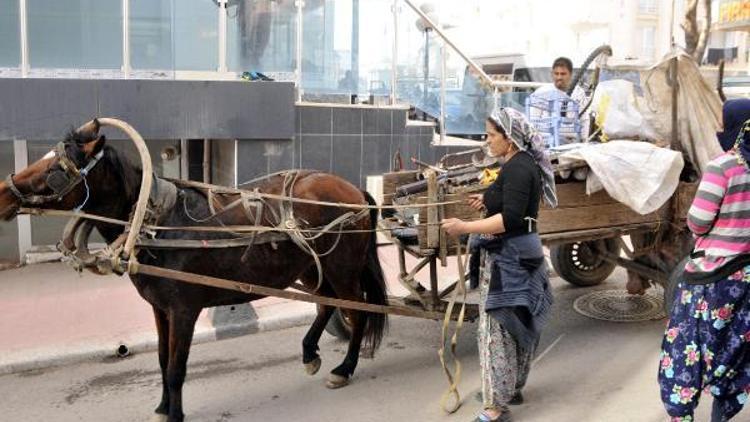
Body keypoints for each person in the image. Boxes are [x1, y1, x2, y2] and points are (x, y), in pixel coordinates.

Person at [442, 107, 556, 422]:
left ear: (510, 138)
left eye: (492, 135)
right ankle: (511, 388)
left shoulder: (519, 168)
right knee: (517, 323)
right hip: (522, 253)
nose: (487, 141)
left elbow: (511, 218)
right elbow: (508, 204)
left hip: (512, 259)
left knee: (496, 330)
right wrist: (487, 200)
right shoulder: (516, 165)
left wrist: (464, 228)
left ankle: (495, 408)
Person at [658, 98, 750, 421]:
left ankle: (681, 414)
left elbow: (697, 221)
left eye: (725, 125)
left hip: (710, 279)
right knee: (731, 349)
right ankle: (721, 414)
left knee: (686, 348)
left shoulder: (723, 167)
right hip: (744, 279)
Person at [528, 57, 589, 142]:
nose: (559, 77)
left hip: (571, 141)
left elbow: (584, 119)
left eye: (563, 74)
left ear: (570, 74)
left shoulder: (578, 93)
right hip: (546, 141)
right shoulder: (541, 92)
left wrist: (585, 140)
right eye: (556, 74)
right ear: (552, 74)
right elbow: (532, 121)